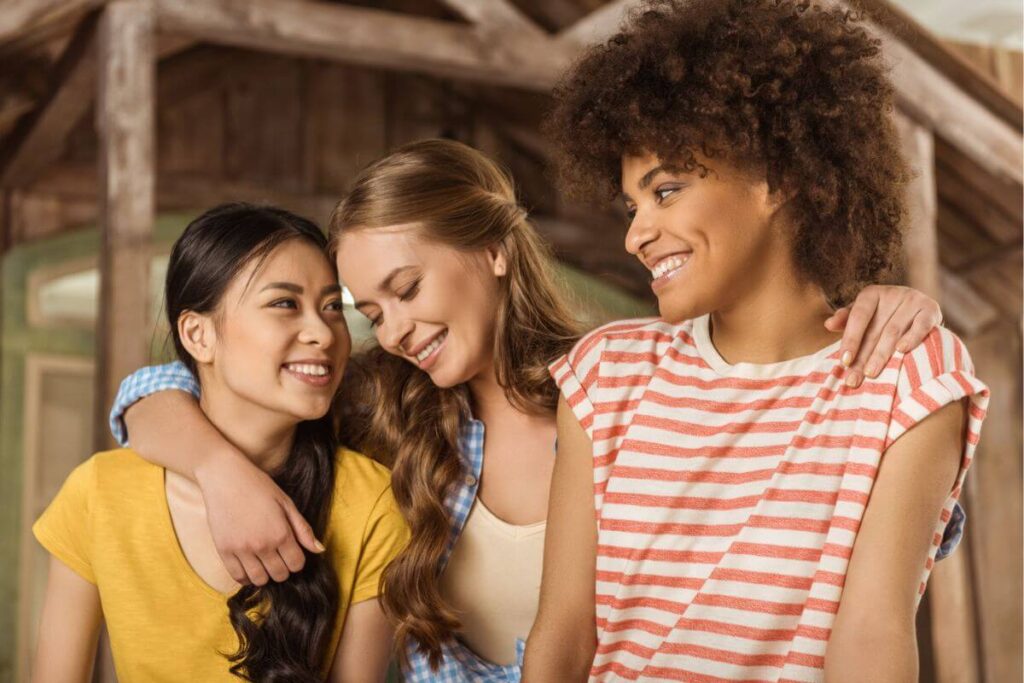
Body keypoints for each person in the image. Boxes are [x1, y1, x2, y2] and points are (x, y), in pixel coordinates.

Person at [108, 141, 946, 681]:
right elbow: (149, 395)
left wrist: (881, 319)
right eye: (370, 309)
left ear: (494, 250)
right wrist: (218, 470)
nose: (392, 331)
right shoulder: (376, 405)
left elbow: (873, 510)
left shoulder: (628, 384)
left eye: (406, 289)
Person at [522, 2, 989, 681]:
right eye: (632, 205)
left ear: (779, 178)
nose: (635, 234)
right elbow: (562, 635)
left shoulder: (907, 377)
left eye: (667, 190)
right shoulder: (604, 375)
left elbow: (871, 637)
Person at [32, 204, 406, 683]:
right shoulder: (97, 494)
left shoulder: (371, 501)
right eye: (284, 303)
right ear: (197, 335)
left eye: (334, 307)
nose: (323, 333)